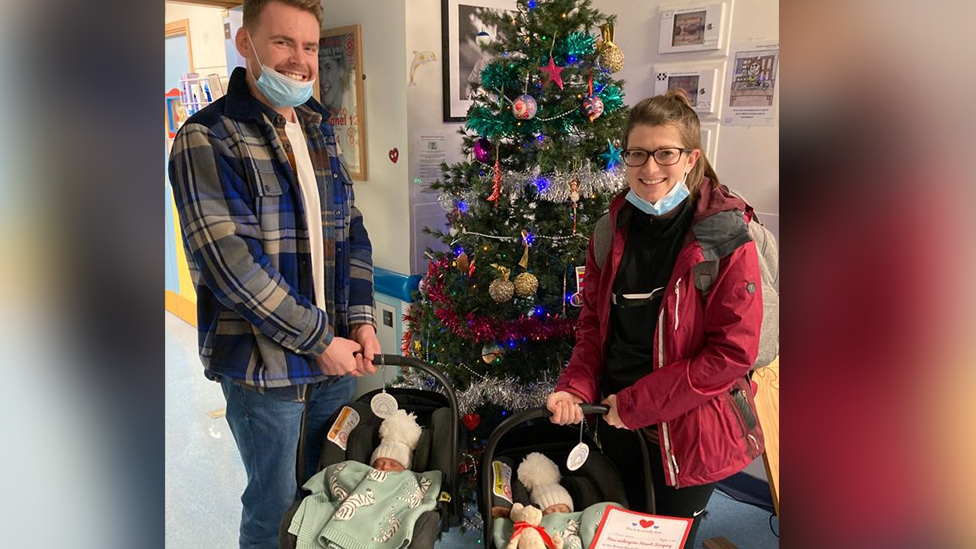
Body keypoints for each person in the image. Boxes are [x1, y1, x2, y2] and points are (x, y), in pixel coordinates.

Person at [167, 1, 381, 548]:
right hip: (266, 372)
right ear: (247, 43)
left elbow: (351, 231)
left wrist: (359, 322)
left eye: (309, 46)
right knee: (275, 506)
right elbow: (232, 268)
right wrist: (318, 340)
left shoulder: (318, 127)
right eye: (283, 42)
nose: (300, 61)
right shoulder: (207, 137)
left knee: (329, 491)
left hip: (336, 362)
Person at [546, 89, 765, 548]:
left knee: (665, 538)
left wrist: (637, 405)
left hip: (689, 434)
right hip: (614, 419)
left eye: (665, 153)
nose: (649, 169)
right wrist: (577, 385)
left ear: (691, 158)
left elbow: (731, 354)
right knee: (614, 532)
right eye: (637, 154)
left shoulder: (725, 238)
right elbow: (593, 324)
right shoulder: (611, 229)